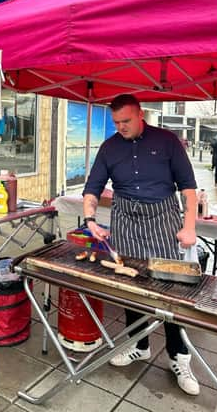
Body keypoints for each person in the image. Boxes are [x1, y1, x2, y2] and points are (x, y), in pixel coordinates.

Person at [82, 94, 200, 395]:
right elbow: (93, 188)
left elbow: (188, 188)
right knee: (130, 287)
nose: (121, 127)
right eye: (117, 122)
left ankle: (179, 357)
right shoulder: (109, 147)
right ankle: (139, 345)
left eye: (126, 121)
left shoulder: (167, 140)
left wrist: (189, 227)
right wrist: (90, 219)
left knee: (167, 290)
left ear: (140, 115)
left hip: (162, 217)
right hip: (125, 219)